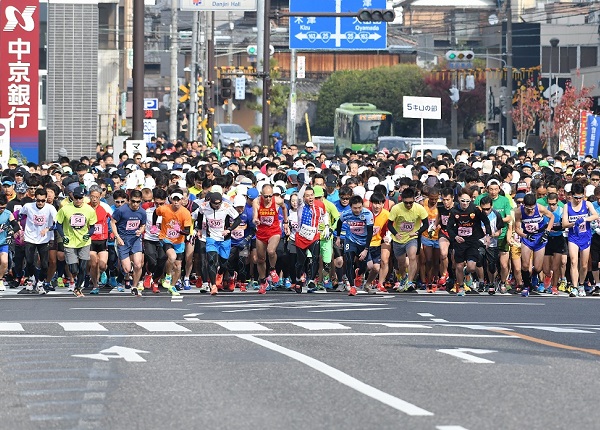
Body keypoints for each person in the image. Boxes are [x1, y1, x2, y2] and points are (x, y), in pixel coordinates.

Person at [447, 189, 491, 296]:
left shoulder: (475, 209)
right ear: (458, 200)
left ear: (470, 200)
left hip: (472, 240)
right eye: (462, 201)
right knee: (459, 266)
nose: (465, 203)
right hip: (460, 241)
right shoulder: (454, 211)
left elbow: (486, 221)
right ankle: (461, 286)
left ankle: (466, 273)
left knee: (471, 267)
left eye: (467, 201)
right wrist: (455, 237)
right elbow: (449, 228)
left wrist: (488, 235)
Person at [55, 186, 98, 297]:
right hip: (70, 242)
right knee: (74, 269)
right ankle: (75, 279)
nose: (78, 200)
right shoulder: (65, 208)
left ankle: (78, 288)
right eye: (76, 198)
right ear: (73, 197)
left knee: (83, 267)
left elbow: (93, 226)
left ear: (83, 198)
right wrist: (63, 235)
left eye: (80, 198)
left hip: (84, 242)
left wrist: (89, 234)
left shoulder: (89, 210)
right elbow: (58, 224)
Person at [197, 192, 241, 295]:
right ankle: (213, 285)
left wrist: (229, 229)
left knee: (223, 263)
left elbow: (238, 219)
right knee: (211, 260)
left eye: (219, 203)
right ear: (210, 202)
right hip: (211, 238)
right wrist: (199, 228)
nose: (217, 205)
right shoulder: (204, 206)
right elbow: (199, 215)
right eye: (215, 204)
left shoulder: (226, 206)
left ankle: (220, 273)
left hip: (224, 238)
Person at [387, 188, 429, 292]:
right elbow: (389, 224)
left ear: (414, 200)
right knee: (401, 263)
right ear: (402, 200)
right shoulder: (396, 208)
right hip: (399, 239)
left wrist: (417, 232)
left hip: (412, 237)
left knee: (412, 256)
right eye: (406, 203)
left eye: (411, 202)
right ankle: (403, 278)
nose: (409, 205)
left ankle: (410, 281)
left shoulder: (419, 208)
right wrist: (396, 234)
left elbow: (426, 224)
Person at [513, 193, 554, 296]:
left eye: (532, 208)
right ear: (524, 205)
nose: (531, 210)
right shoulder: (519, 212)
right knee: (525, 264)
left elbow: (552, 217)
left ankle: (534, 276)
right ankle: (526, 286)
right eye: (528, 208)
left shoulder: (540, 208)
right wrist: (525, 236)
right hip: (528, 238)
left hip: (540, 237)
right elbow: (517, 228)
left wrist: (547, 232)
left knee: (538, 267)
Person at [562, 183, 598, 297]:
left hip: (585, 236)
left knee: (584, 264)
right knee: (573, 261)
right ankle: (574, 286)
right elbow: (564, 224)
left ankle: (581, 284)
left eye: (580, 197)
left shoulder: (587, 204)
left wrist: (584, 219)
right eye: (576, 197)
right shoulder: (567, 206)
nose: (578, 200)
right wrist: (574, 223)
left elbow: (595, 215)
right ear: (571, 196)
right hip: (573, 237)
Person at [252, 184, 290, 294]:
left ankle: (273, 269)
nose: (268, 199)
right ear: (261, 195)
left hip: (274, 231)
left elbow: (284, 207)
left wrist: (286, 222)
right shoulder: (257, 201)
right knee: (260, 259)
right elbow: (255, 215)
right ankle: (263, 281)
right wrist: (255, 220)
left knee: (271, 251)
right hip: (261, 232)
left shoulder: (277, 200)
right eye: (266, 196)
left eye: (270, 196)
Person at [155, 189, 193, 296]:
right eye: (174, 199)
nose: (176, 202)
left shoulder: (185, 213)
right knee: (171, 256)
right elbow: (155, 212)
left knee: (178, 267)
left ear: (182, 200)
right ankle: (167, 275)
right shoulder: (164, 209)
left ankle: (172, 286)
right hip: (166, 238)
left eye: (178, 200)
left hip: (179, 241)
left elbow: (187, 231)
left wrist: (179, 230)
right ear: (171, 199)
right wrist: (154, 225)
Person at [19, 189, 57, 294]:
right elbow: (19, 214)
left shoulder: (50, 208)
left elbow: (57, 223)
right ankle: (31, 278)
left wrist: (48, 229)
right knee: (30, 261)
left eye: (43, 200)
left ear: (46, 199)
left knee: (45, 264)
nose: (40, 203)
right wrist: (20, 227)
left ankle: (40, 282)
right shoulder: (28, 206)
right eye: (38, 200)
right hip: (30, 237)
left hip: (44, 238)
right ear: (35, 199)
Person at [335, 195, 374, 296]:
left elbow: (370, 233)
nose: (358, 210)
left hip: (363, 242)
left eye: (360, 207)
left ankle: (359, 273)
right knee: (348, 260)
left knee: (367, 266)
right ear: (350, 207)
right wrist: (338, 237)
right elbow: (339, 223)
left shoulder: (367, 214)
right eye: (355, 208)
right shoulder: (346, 214)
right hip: (350, 240)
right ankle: (352, 287)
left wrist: (366, 249)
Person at [111, 189, 146, 296]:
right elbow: (113, 222)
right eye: (133, 201)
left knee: (138, 264)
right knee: (126, 269)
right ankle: (127, 272)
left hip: (135, 240)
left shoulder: (142, 212)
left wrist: (141, 230)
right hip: (123, 240)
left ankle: (134, 287)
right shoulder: (121, 210)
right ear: (129, 200)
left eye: (138, 202)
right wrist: (117, 237)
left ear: (141, 201)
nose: (135, 204)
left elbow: (143, 225)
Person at [294, 186, 326, 293]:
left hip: (314, 235)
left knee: (315, 257)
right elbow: (299, 196)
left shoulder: (319, 205)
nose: (310, 198)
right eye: (307, 196)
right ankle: (298, 279)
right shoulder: (300, 205)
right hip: (301, 236)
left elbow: (325, 215)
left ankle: (311, 280)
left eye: (312, 195)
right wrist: (305, 184)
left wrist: (326, 227)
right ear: (304, 197)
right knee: (301, 261)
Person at [87, 185, 112, 294]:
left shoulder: (105, 207)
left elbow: (113, 220)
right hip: (90, 239)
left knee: (101, 265)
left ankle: (102, 272)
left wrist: (112, 232)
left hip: (102, 239)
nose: (94, 199)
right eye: (92, 197)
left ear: (100, 196)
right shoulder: (85, 207)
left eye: (97, 197)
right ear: (89, 196)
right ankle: (95, 285)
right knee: (93, 263)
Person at [0, 194, 21, 292]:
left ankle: (0, 280)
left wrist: (12, 231)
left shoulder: (8, 213)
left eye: (3, 207)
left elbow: (16, 225)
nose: (1, 210)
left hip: (3, 242)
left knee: (4, 262)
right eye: (0, 208)